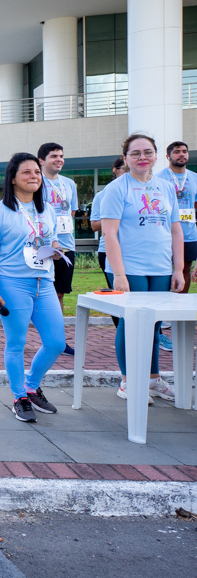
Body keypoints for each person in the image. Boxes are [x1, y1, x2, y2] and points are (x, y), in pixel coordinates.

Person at [0, 153, 65, 423]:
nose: (34, 176)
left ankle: (31, 386)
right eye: (26, 172)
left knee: (56, 343)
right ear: (13, 179)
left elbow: (52, 240)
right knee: (16, 343)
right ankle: (19, 397)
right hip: (13, 283)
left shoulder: (46, 209)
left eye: (37, 172)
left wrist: (55, 250)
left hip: (45, 282)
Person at [97, 133, 181, 402]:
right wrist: (119, 274)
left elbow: (175, 230)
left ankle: (152, 379)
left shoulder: (166, 187)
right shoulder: (117, 189)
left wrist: (178, 269)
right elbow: (109, 234)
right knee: (130, 323)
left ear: (156, 156)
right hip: (129, 267)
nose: (142, 157)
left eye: (147, 152)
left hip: (160, 267)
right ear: (126, 158)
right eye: (135, 153)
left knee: (154, 325)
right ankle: (128, 382)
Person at [155, 141, 197, 350]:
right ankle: (162, 313)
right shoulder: (159, 178)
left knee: (185, 269)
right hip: (165, 234)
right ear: (168, 156)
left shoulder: (194, 178)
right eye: (177, 152)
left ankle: (178, 309)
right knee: (164, 271)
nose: (181, 155)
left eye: (184, 151)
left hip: (189, 233)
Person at [37, 142, 78, 356]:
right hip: (42, 247)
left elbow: (71, 212)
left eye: (61, 156)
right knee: (37, 293)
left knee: (59, 293)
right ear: (41, 161)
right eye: (54, 156)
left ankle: (58, 341)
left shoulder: (69, 184)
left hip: (66, 246)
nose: (59, 159)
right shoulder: (36, 182)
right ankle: (39, 339)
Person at [90, 157, 127, 328]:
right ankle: (121, 330)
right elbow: (94, 225)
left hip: (135, 250)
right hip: (108, 250)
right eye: (124, 168)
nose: (127, 171)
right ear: (115, 170)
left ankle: (154, 335)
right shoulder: (103, 194)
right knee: (117, 294)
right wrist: (115, 219)